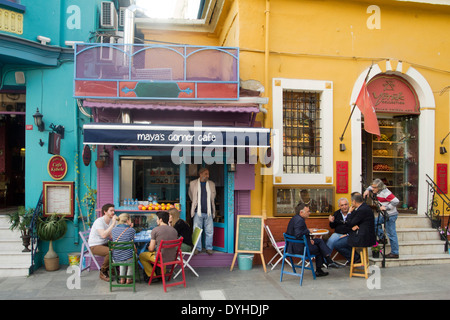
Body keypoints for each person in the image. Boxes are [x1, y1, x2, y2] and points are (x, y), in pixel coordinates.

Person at [286, 202, 335, 277]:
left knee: (320, 241)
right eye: (308, 211)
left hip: (294, 246)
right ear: (301, 212)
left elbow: (298, 233)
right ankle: (323, 266)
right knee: (320, 248)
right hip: (299, 248)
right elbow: (298, 234)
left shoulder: (295, 218)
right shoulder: (300, 220)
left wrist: (308, 238)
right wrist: (308, 231)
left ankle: (328, 259)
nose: (309, 213)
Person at [363, 178, 400, 258]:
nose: (372, 189)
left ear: (379, 187)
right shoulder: (377, 189)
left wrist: (386, 207)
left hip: (390, 215)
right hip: (384, 215)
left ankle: (395, 252)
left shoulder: (385, 192)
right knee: (375, 222)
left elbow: (396, 201)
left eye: (374, 188)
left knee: (391, 234)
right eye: (372, 187)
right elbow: (371, 186)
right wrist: (367, 190)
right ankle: (382, 238)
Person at [139, 211, 178, 282]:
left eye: (157, 219)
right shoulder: (174, 230)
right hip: (172, 257)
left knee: (142, 255)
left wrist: (148, 247)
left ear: (161, 219)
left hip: (160, 258)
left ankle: (152, 275)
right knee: (163, 252)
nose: (156, 221)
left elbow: (151, 249)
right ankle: (161, 273)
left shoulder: (155, 230)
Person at [188, 167, 216, 255]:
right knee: (197, 230)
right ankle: (197, 248)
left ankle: (209, 248)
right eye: (206, 174)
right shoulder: (193, 183)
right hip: (197, 211)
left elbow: (213, 197)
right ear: (200, 174)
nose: (208, 176)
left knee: (209, 231)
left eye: (208, 174)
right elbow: (191, 195)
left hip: (209, 212)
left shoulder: (211, 184)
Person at [88, 203, 117, 281]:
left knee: (118, 247)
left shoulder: (111, 221)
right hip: (95, 246)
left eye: (114, 211)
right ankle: (103, 271)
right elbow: (104, 235)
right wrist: (113, 224)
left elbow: (111, 236)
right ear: (105, 212)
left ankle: (114, 269)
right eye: (111, 211)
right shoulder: (99, 221)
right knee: (109, 252)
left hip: (104, 243)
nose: (113, 212)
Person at [111, 213, 136, 284]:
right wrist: (130, 227)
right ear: (128, 220)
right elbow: (132, 241)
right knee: (131, 256)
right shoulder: (131, 230)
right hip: (128, 258)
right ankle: (129, 278)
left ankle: (122, 279)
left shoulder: (113, 230)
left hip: (116, 259)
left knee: (122, 254)